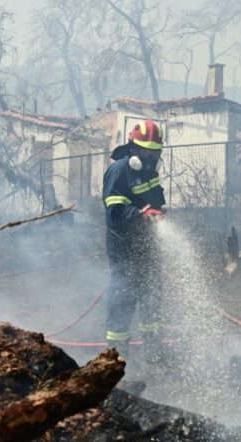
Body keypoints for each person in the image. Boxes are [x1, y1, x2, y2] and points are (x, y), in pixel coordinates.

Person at [102, 119, 166, 361]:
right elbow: (114, 211)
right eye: (146, 151)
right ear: (133, 148)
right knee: (123, 299)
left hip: (147, 247)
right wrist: (140, 215)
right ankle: (117, 357)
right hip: (125, 248)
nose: (150, 157)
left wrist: (158, 213)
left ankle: (154, 351)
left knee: (151, 297)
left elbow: (155, 200)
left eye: (155, 152)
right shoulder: (119, 171)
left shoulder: (149, 172)